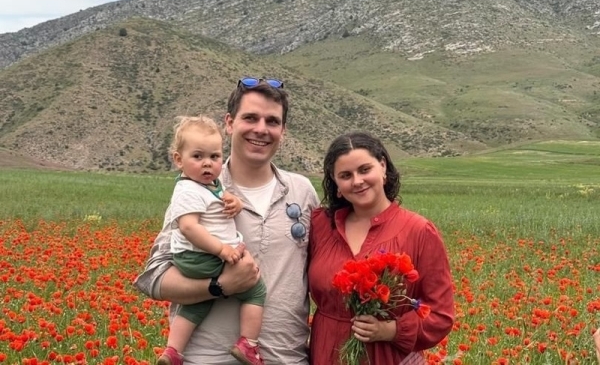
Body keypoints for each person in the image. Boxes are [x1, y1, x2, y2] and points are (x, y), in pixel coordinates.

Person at [134, 77, 320, 364]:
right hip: (208, 358)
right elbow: (155, 279)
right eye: (250, 118)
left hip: (287, 358)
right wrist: (219, 286)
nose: (261, 129)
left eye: (272, 121)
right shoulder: (195, 188)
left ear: (283, 131)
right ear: (230, 123)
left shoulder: (302, 191)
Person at [308, 131, 455, 364]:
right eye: (346, 175)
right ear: (335, 183)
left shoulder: (419, 231)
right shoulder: (321, 226)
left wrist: (391, 330)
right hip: (326, 351)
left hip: (388, 356)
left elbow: (440, 314)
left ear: (383, 166)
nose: (357, 181)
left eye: (365, 170)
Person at [156, 115, 267, 365]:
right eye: (198, 157)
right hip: (202, 257)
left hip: (198, 259)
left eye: (214, 157)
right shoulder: (187, 190)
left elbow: (219, 197)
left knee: (197, 305)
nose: (207, 164)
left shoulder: (209, 184)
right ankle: (249, 344)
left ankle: (173, 351)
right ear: (178, 160)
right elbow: (188, 227)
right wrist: (222, 250)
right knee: (256, 291)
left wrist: (234, 202)